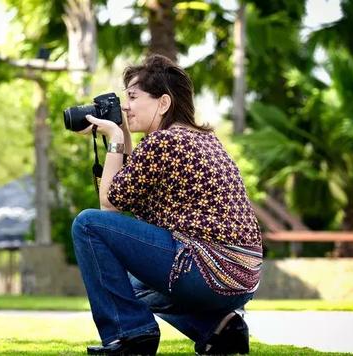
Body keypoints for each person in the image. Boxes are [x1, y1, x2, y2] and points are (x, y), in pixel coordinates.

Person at [71, 54, 262, 355]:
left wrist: (115, 138)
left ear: (163, 103)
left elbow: (109, 204)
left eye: (132, 97)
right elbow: (130, 187)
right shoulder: (199, 139)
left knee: (87, 224)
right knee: (131, 286)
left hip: (206, 268)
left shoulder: (164, 142)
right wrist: (120, 133)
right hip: (241, 275)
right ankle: (220, 329)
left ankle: (131, 335)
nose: (126, 106)